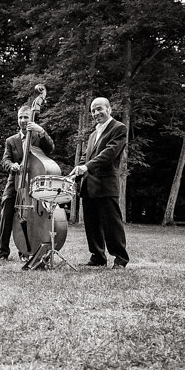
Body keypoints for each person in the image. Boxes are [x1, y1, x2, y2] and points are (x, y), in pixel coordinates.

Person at [69, 97, 130, 269]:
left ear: (109, 109)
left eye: (99, 109)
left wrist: (86, 167)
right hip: (89, 185)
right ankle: (97, 257)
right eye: (93, 110)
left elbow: (109, 153)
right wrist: (78, 168)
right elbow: (85, 157)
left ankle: (120, 259)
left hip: (106, 185)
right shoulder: (93, 134)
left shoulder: (119, 128)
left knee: (112, 224)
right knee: (92, 224)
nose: (96, 113)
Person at [0, 104, 55, 261]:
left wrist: (41, 131)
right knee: (6, 212)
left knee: (32, 216)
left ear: (31, 118)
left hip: (33, 182)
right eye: (20, 117)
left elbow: (50, 148)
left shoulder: (37, 136)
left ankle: (26, 250)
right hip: (15, 181)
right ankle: (2, 252)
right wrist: (12, 165)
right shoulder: (11, 140)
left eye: (26, 117)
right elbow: (5, 160)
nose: (22, 120)